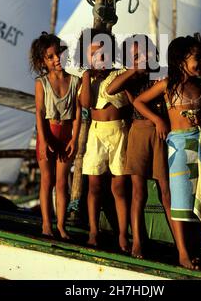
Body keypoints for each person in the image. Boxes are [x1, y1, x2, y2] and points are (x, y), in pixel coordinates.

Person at [133, 35, 201, 270]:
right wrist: (158, 120)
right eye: (196, 57)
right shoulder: (167, 85)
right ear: (180, 59)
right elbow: (139, 102)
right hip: (177, 146)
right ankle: (183, 254)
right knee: (180, 199)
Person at [106, 34, 174, 259]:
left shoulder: (163, 72)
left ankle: (180, 243)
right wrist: (133, 69)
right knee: (138, 192)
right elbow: (110, 90)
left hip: (164, 134)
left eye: (145, 52)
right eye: (136, 55)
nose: (143, 57)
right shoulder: (130, 78)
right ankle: (137, 241)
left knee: (166, 190)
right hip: (139, 131)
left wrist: (159, 120)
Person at [77, 28, 130, 252]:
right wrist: (87, 75)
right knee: (94, 186)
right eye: (93, 55)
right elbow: (86, 104)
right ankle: (93, 231)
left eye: (103, 53)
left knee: (119, 186)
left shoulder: (119, 75)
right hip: (97, 132)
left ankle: (122, 235)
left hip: (119, 132)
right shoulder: (87, 80)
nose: (99, 58)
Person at [30, 32, 81, 239]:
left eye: (58, 53)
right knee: (47, 180)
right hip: (47, 134)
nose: (56, 59)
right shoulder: (41, 83)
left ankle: (60, 225)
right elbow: (40, 113)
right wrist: (43, 141)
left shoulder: (75, 81)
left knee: (62, 182)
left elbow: (78, 114)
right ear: (43, 61)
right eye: (50, 57)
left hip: (66, 137)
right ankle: (45, 224)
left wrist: (74, 140)